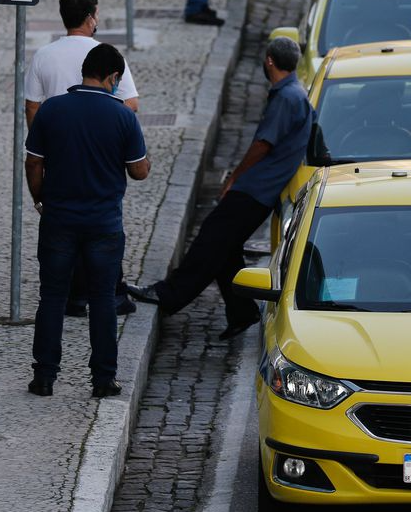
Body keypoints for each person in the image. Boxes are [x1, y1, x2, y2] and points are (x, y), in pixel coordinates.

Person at [127, 38, 311, 338]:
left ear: (269, 61)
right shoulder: (295, 93)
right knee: (225, 249)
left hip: (255, 188)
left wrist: (234, 177)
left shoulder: (287, 98)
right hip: (263, 189)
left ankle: (169, 293)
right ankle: (242, 312)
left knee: (211, 241)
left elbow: (263, 144)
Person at [24, 44, 150, 398]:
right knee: (103, 299)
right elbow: (138, 171)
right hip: (104, 224)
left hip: (59, 219)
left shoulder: (52, 110)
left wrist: (39, 198)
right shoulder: (123, 116)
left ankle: (44, 377)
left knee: (51, 297)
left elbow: (33, 161)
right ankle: (102, 379)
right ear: (112, 77)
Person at [25, 0, 140, 317]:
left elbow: (32, 107)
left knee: (64, 223)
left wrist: (45, 141)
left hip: (59, 152)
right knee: (106, 221)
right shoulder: (106, 54)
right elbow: (130, 104)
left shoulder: (44, 55)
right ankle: (112, 292)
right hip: (101, 150)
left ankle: (73, 295)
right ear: (91, 18)